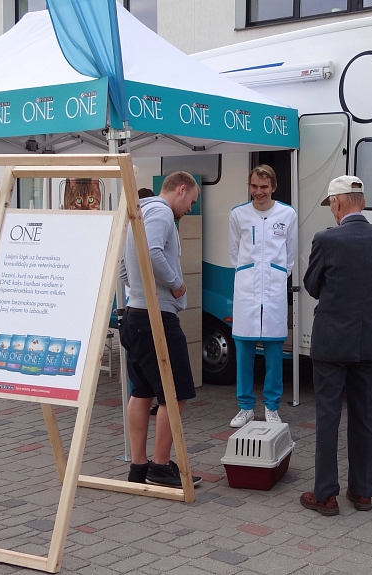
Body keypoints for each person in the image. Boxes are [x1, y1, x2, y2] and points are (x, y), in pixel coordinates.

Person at [300, 175, 372, 516]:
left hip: (332, 339)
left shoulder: (326, 239)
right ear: (362, 202)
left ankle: (326, 494)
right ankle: (363, 491)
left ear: (336, 202)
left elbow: (312, 285)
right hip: (370, 339)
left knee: (328, 416)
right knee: (367, 414)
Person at [119, 171, 202, 488]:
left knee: (141, 391)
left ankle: (138, 466)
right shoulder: (162, 212)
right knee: (176, 392)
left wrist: (139, 289)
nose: (190, 208)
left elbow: (124, 268)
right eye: (191, 200)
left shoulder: (138, 211)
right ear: (181, 189)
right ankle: (160, 465)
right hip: (156, 317)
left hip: (135, 314)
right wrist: (177, 285)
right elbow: (152, 252)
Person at [228, 165, 297, 427]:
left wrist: (276, 275)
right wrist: (249, 272)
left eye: (264, 187)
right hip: (246, 290)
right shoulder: (238, 214)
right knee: (244, 351)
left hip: (274, 290)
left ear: (274, 188)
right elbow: (234, 253)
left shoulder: (287, 214)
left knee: (274, 353)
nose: (259, 192)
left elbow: (290, 254)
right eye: (254, 186)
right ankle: (245, 406)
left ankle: (271, 406)